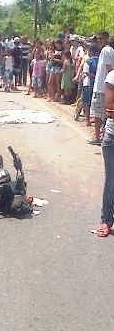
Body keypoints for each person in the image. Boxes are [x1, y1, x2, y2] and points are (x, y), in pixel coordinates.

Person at [95, 69, 114, 237]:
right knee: (111, 181)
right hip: (112, 138)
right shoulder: (112, 76)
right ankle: (106, 220)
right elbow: (110, 107)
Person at [87, 31, 114, 145]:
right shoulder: (108, 50)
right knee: (103, 114)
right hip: (104, 86)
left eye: (100, 39)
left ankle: (98, 137)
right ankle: (101, 135)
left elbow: (109, 68)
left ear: (106, 38)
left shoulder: (106, 50)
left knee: (98, 114)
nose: (98, 41)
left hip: (102, 88)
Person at [81, 44, 99, 126]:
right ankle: (95, 119)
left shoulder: (88, 61)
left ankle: (87, 120)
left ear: (91, 51)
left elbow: (86, 73)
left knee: (86, 102)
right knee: (94, 103)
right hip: (97, 85)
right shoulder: (100, 61)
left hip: (87, 83)